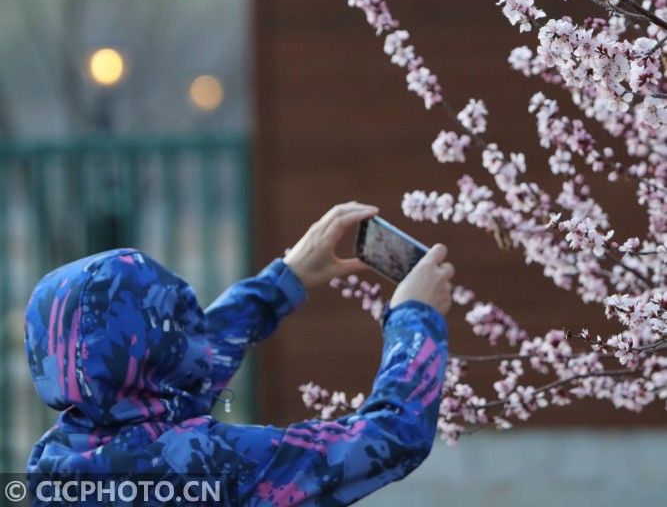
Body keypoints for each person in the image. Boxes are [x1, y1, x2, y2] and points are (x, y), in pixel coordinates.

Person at [24, 201, 454, 506]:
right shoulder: (208, 461)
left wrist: (284, 282)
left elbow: (172, 379)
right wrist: (414, 320)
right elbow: (393, 438)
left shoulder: (55, 462)